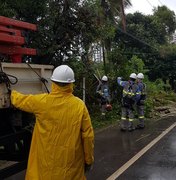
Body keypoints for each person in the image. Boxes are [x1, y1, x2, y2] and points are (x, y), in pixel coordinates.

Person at [10, 65, 94, 180]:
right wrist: (88, 160)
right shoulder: (79, 105)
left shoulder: (42, 102)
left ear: (53, 82)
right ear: (71, 84)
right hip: (71, 166)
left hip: (46, 166)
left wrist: (11, 93)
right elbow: (88, 136)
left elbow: (21, 100)